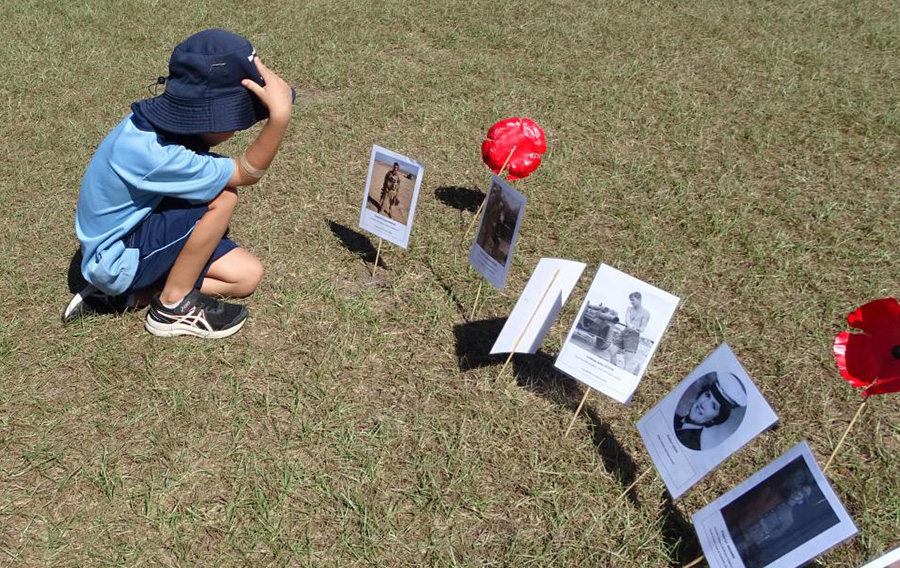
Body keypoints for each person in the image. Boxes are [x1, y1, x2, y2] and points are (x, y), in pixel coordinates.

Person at [61, 29, 294, 338]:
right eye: (237, 118)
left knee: (246, 276)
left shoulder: (159, 128)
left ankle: (126, 297)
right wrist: (278, 118)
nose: (239, 127)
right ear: (206, 117)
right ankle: (172, 307)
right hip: (114, 257)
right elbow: (246, 173)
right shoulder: (155, 154)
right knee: (224, 197)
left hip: (138, 230)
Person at [673, 371, 747, 451]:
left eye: (713, 406)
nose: (703, 404)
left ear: (715, 419)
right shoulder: (674, 418)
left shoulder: (692, 444)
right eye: (707, 395)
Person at [606, 291, 651, 373]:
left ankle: (622, 378)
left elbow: (643, 328)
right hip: (625, 332)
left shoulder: (646, 313)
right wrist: (631, 326)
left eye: (633, 300)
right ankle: (612, 371)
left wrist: (639, 329)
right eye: (630, 300)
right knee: (612, 351)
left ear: (639, 299)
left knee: (627, 359)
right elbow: (627, 320)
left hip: (633, 336)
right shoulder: (629, 308)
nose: (631, 302)